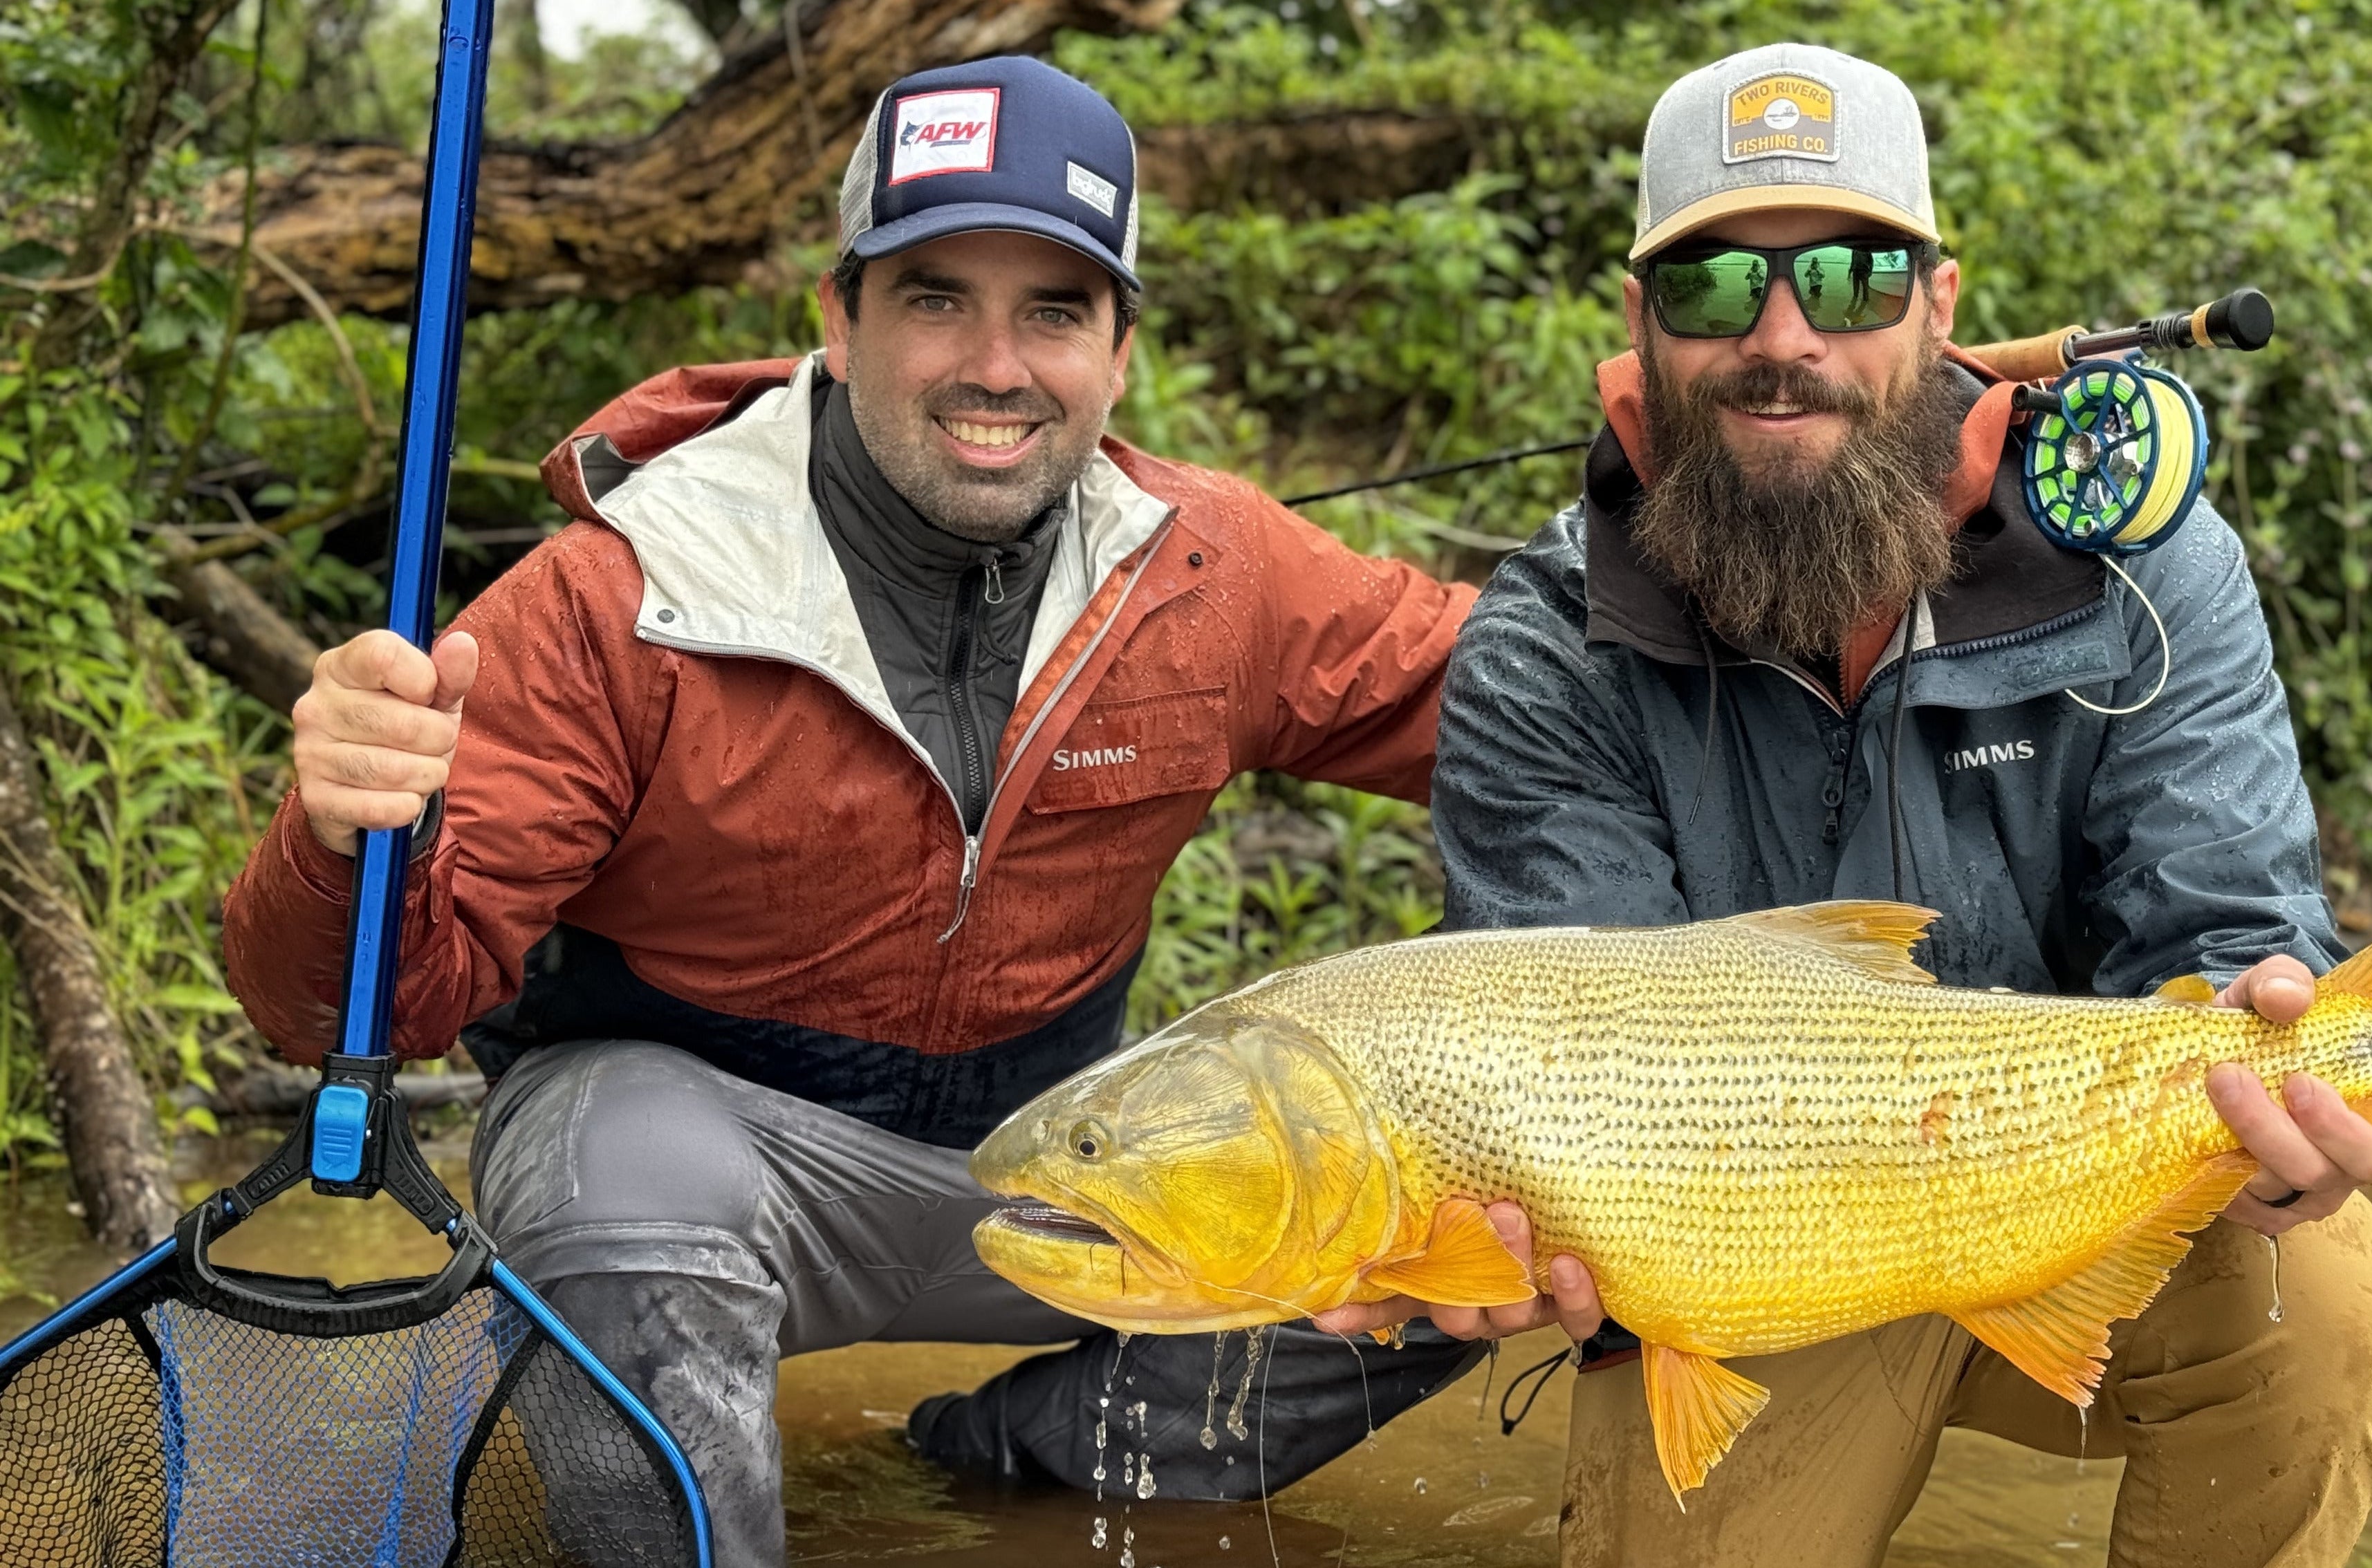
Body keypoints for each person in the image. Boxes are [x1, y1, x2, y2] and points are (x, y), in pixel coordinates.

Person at [220, 56, 1486, 1567]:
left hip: (1049, 1175)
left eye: (1054, 312)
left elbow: (1520, 705)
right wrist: (346, 833)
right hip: (701, 1166)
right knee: (627, 1177)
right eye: (937, 298)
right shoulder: (617, 595)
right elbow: (348, 1009)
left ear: (1121, 353)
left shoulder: (1218, 572)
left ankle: (1026, 1458)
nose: (996, 366)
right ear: (841, 317)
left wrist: (1667, 534)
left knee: (1471, 1218)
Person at [1322, 44, 2372, 1567]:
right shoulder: (1548, 645)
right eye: (1715, 286)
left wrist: (2274, 1059)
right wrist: (1496, 1231)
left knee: (2323, 1296)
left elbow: (2225, 930)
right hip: (1746, 1248)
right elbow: (1560, 1068)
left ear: (1938, 307)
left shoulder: (2147, 571)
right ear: (1642, 324)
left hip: (2082, 1194)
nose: (1783, 339)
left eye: (1849, 278)